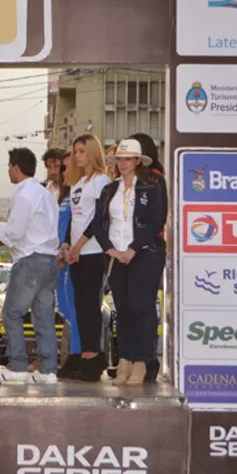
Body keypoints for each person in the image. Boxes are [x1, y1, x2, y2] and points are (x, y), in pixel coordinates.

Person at [91, 139, 167, 386]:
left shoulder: (152, 186)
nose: (122, 164)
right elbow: (98, 223)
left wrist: (134, 248)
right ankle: (124, 359)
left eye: (127, 159)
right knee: (122, 309)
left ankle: (142, 362)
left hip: (144, 254)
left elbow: (156, 220)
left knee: (141, 308)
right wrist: (110, 249)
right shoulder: (109, 190)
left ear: (137, 161)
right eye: (119, 160)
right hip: (116, 256)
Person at [0, 148, 60, 384]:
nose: (8, 170)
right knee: (43, 316)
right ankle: (48, 370)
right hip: (49, 259)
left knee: (11, 312)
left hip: (29, 259)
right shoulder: (45, 193)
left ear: (16, 167)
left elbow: (15, 231)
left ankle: (17, 366)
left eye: (9, 166)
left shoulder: (24, 194)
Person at [61, 133, 112, 381]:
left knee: (91, 305)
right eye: (75, 151)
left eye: (81, 151)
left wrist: (80, 245)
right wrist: (67, 244)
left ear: (92, 152)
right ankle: (85, 356)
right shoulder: (77, 184)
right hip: (77, 253)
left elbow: (99, 219)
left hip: (93, 252)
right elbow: (75, 217)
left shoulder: (102, 181)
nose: (77, 156)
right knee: (80, 306)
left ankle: (93, 357)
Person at [127, 132, 167, 382]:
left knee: (145, 305)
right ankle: (133, 358)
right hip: (129, 248)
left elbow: (157, 217)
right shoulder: (127, 181)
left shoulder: (156, 179)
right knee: (132, 306)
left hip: (150, 247)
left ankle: (149, 360)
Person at [55, 152, 83, 379]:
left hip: (79, 257)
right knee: (66, 309)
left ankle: (78, 357)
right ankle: (72, 356)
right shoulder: (66, 194)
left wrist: (72, 249)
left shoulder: (83, 191)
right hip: (63, 257)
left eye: (66, 167)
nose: (62, 173)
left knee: (77, 309)